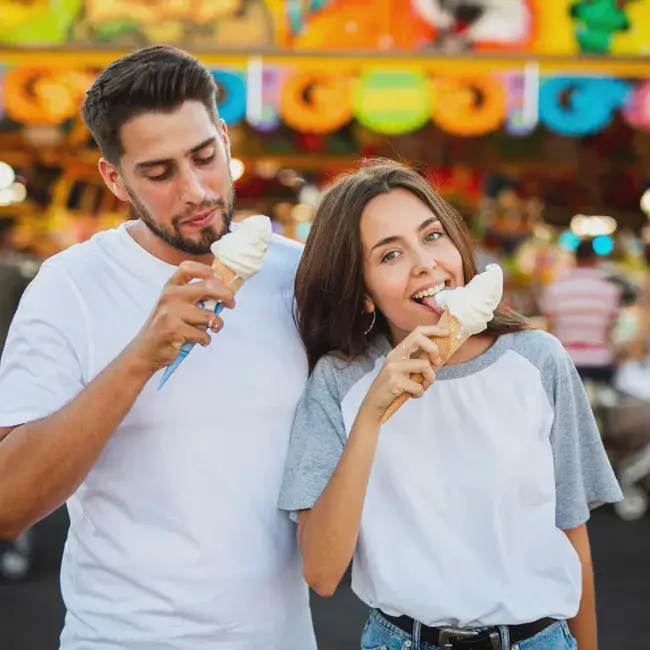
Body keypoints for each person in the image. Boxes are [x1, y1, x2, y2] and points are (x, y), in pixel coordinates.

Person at [0, 46, 316, 650]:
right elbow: (9, 505)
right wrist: (143, 354)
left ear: (225, 140)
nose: (195, 190)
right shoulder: (71, 287)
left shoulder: (300, 276)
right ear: (116, 179)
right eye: (160, 172)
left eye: (204, 157)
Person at [279, 159, 622, 650]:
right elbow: (322, 572)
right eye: (390, 254)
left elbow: (571, 533)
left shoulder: (536, 359)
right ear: (362, 293)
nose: (426, 262)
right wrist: (373, 415)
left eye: (432, 236)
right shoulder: (340, 380)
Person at [541, 237, 622, 385]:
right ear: (596, 259)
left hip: (566, 360)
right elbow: (609, 329)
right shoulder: (609, 290)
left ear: (575, 258)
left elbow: (550, 327)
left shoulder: (556, 289)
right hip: (600, 362)